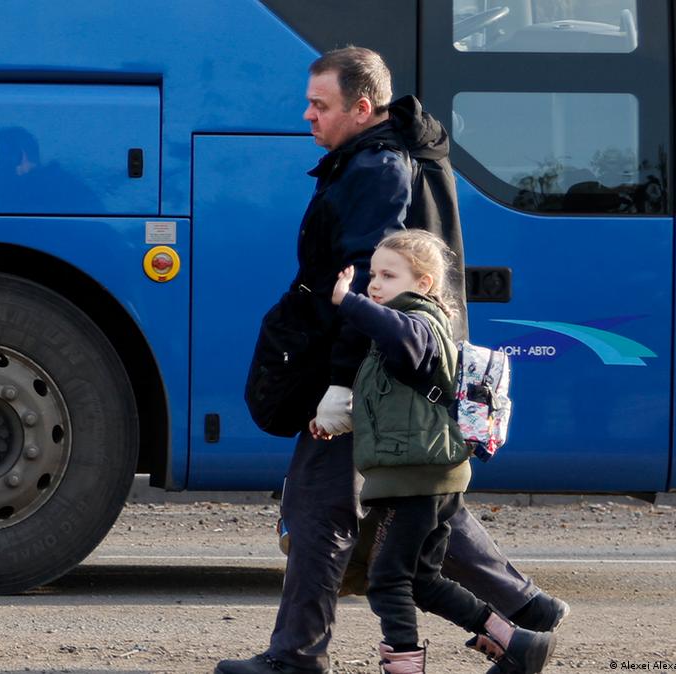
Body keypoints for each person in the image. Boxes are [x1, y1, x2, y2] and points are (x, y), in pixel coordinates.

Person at [217, 47, 565, 674]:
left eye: (319, 105)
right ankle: (528, 614)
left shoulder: (378, 170)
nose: (307, 116)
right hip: (394, 375)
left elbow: (366, 288)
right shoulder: (383, 158)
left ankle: (297, 657)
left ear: (362, 106)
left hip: (375, 375)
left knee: (319, 510)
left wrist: (343, 386)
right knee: (418, 497)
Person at [328, 230, 555, 674]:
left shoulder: (419, 324)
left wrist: (349, 302)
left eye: (389, 275)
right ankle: (517, 643)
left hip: (416, 478)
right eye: (373, 275)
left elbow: (403, 338)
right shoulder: (401, 329)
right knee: (424, 581)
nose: (375, 284)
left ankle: (404, 667)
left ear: (425, 284)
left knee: (387, 578)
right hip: (422, 473)